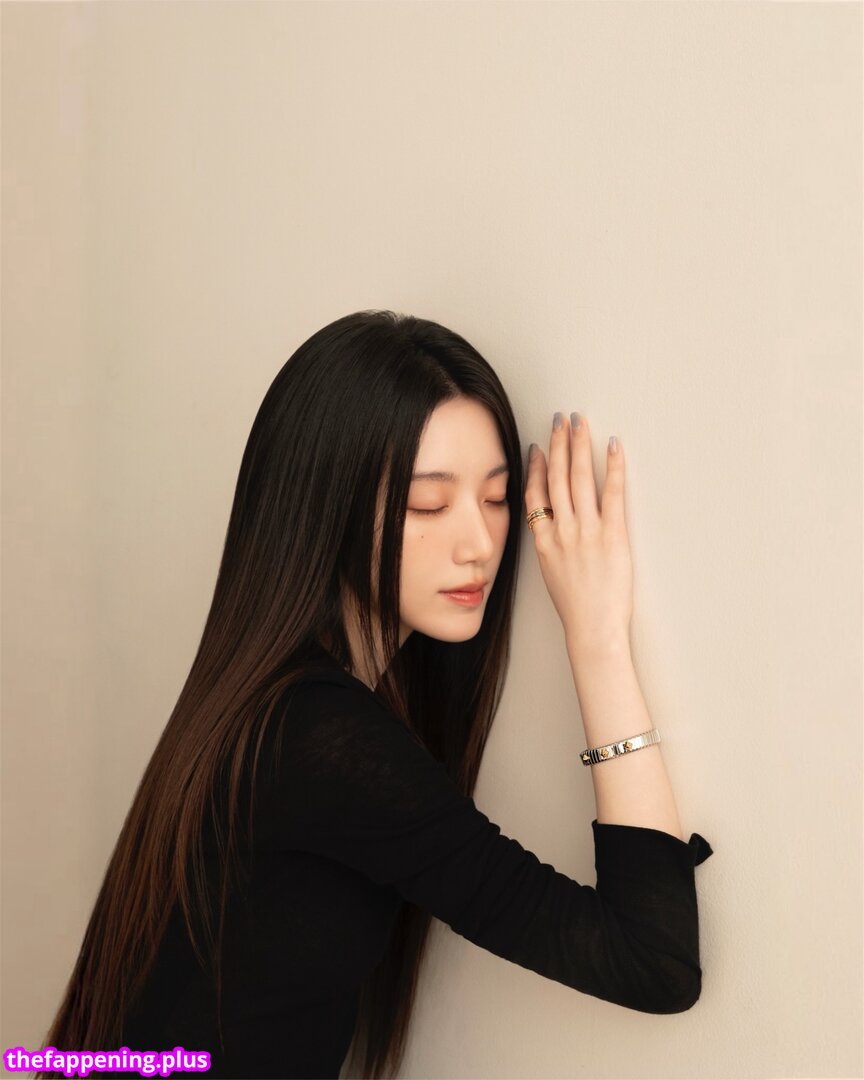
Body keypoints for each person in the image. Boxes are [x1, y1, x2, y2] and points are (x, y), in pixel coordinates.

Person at [37, 310, 713, 1080]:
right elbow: (654, 962)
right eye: (429, 505)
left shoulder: (275, 704)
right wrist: (597, 637)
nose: (479, 544)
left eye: (497, 499)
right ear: (325, 505)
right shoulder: (319, 740)